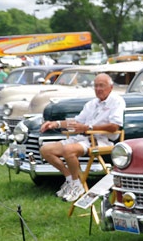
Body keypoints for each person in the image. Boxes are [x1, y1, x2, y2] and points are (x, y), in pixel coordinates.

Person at [39, 73, 125, 202]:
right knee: (46, 150)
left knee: (69, 150)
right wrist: (55, 124)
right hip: (83, 138)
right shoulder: (91, 104)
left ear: (110, 88)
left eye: (102, 86)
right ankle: (71, 180)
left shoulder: (116, 101)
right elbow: (76, 122)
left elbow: (115, 127)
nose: (98, 89)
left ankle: (76, 185)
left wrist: (88, 128)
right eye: (96, 86)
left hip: (101, 140)